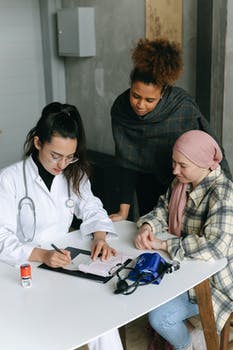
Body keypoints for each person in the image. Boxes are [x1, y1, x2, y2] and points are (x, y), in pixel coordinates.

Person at [0, 102, 123, 350]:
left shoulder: (73, 174)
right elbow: (1, 237)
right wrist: (42, 255)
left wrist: (100, 236)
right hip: (21, 268)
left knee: (103, 322)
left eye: (69, 156)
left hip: (62, 263)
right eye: (55, 155)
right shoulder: (9, 179)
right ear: (38, 143)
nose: (62, 164)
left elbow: (91, 207)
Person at [110, 38, 232, 222]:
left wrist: (225, 193)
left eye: (149, 100)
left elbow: (209, 150)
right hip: (146, 181)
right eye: (135, 96)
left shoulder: (181, 107)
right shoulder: (121, 108)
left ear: (163, 93)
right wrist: (123, 211)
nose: (140, 105)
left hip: (183, 181)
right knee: (150, 227)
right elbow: (126, 162)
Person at [135, 130, 233, 350]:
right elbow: (162, 208)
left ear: (204, 164)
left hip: (216, 281)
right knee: (138, 288)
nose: (174, 170)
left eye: (182, 165)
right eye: (174, 162)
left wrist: (164, 244)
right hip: (185, 267)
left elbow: (215, 247)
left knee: (160, 317)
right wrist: (147, 225)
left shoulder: (223, 194)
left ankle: (189, 344)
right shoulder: (181, 182)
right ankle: (191, 339)